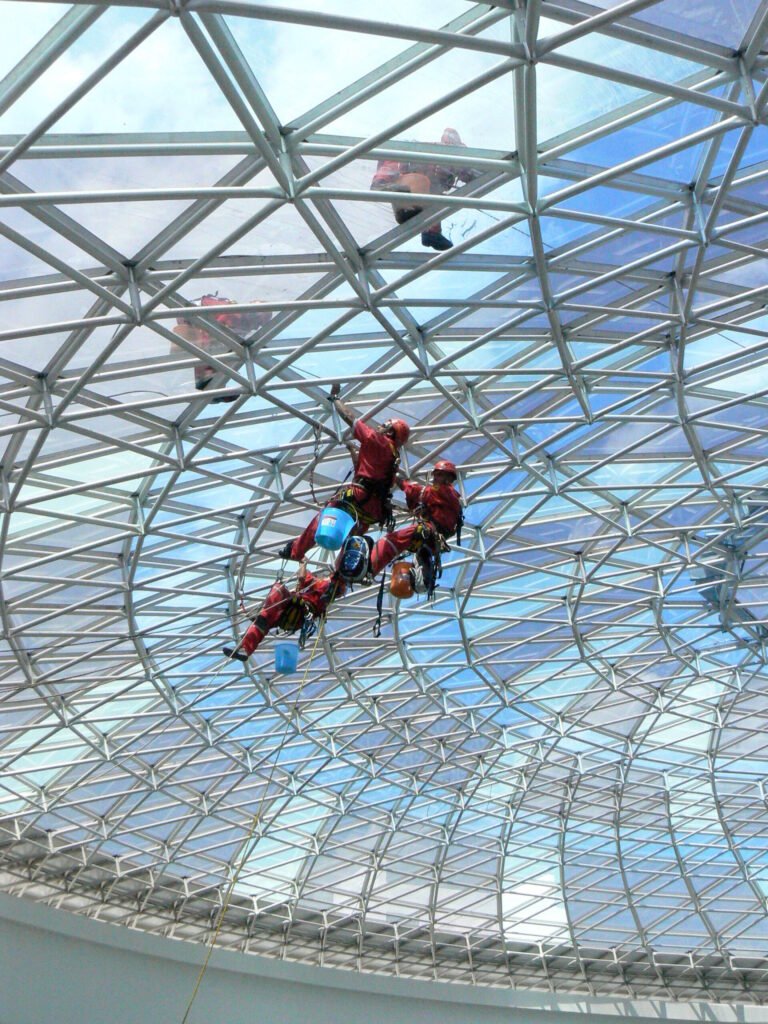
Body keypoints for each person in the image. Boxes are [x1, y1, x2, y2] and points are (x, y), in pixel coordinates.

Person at [279, 383, 410, 562]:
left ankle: (296, 551)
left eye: (383, 425)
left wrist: (335, 399)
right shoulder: (394, 458)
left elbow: (350, 418)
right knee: (352, 540)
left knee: (326, 515)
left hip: (358, 496)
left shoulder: (376, 441)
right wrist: (352, 451)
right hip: (374, 509)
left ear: (390, 430)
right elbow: (365, 473)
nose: (379, 427)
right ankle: (342, 571)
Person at [370, 128, 480, 251]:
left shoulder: (451, 164)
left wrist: (484, 173)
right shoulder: (428, 150)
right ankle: (382, 183)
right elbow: (394, 158)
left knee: (438, 197)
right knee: (421, 180)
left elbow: (470, 173)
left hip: (417, 205)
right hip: (405, 197)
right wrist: (382, 181)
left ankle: (432, 233)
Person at [224, 561, 346, 661]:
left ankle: (246, 645)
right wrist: (303, 563)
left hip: (299, 608)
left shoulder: (328, 584)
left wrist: (303, 561)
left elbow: (302, 578)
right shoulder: (324, 585)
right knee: (263, 622)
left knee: (278, 590)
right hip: (296, 614)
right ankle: (244, 649)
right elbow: (303, 578)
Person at [368, 461, 462, 581]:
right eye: (435, 474)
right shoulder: (450, 498)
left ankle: (370, 568)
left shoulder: (442, 490)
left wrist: (398, 480)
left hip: (429, 532)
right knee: (401, 547)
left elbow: (418, 492)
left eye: (439, 475)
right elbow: (422, 505)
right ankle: (372, 571)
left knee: (391, 540)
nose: (434, 478)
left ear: (448, 478)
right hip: (433, 541)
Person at [172, 295, 271, 403]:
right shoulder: (233, 315)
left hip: (197, 320)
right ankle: (203, 381)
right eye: (258, 322)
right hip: (193, 318)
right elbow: (211, 332)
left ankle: (208, 382)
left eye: (260, 324)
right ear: (252, 315)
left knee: (225, 353)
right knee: (208, 352)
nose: (256, 327)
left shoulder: (241, 322)